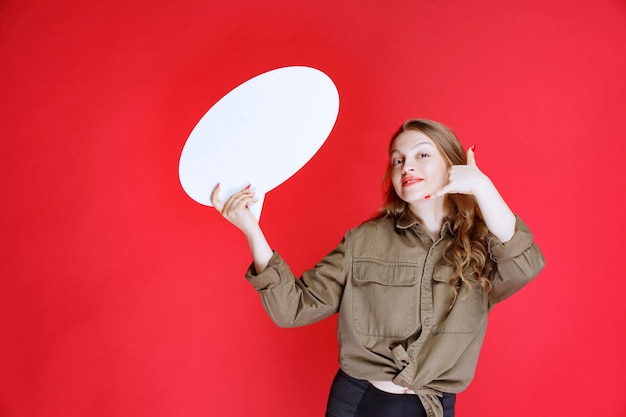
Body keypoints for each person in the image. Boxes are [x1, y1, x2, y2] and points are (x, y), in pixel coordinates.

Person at [210, 118, 545, 417]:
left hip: (434, 407)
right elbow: (293, 310)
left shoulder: (482, 244)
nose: (406, 166)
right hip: (361, 403)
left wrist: (482, 187)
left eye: (421, 154)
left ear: (453, 165)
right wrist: (252, 229)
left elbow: (526, 265)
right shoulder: (363, 240)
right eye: (397, 160)